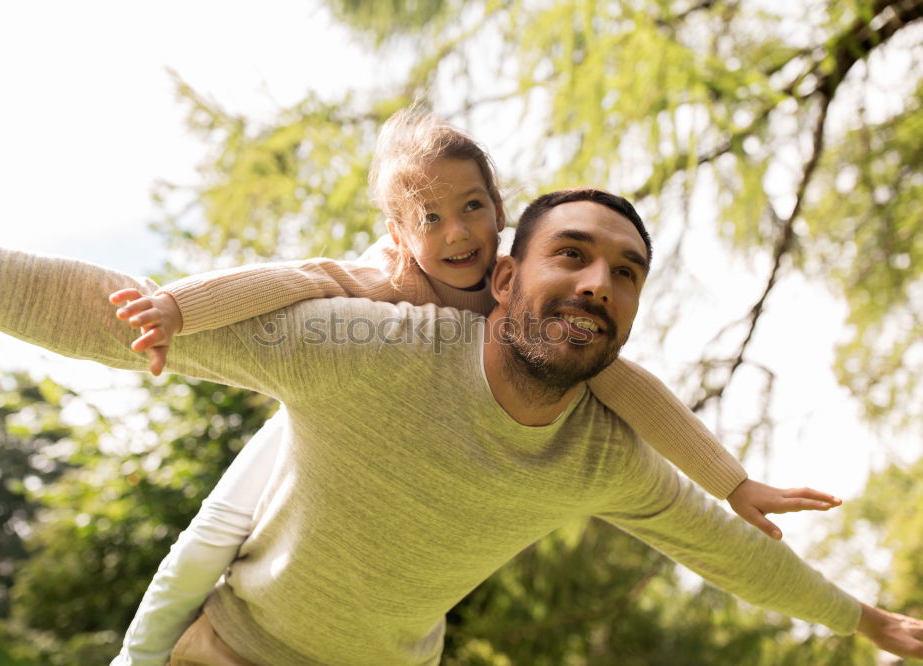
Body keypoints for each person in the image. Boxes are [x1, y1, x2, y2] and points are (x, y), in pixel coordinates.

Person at [0, 189, 921, 664]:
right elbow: (98, 312)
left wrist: (862, 621)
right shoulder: (369, 345)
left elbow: (726, 549)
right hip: (238, 647)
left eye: (623, 273)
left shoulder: (601, 460)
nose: (595, 282)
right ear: (501, 280)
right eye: (569, 254)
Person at [105, 109, 839, 662]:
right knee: (208, 540)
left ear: (500, 210)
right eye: (432, 218)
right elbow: (288, 279)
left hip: (406, 517)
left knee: (417, 621)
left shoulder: (515, 297)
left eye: (474, 208)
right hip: (322, 423)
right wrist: (176, 307)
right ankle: (135, 657)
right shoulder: (384, 280)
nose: (457, 233)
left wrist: (732, 483)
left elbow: (632, 389)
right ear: (399, 233)